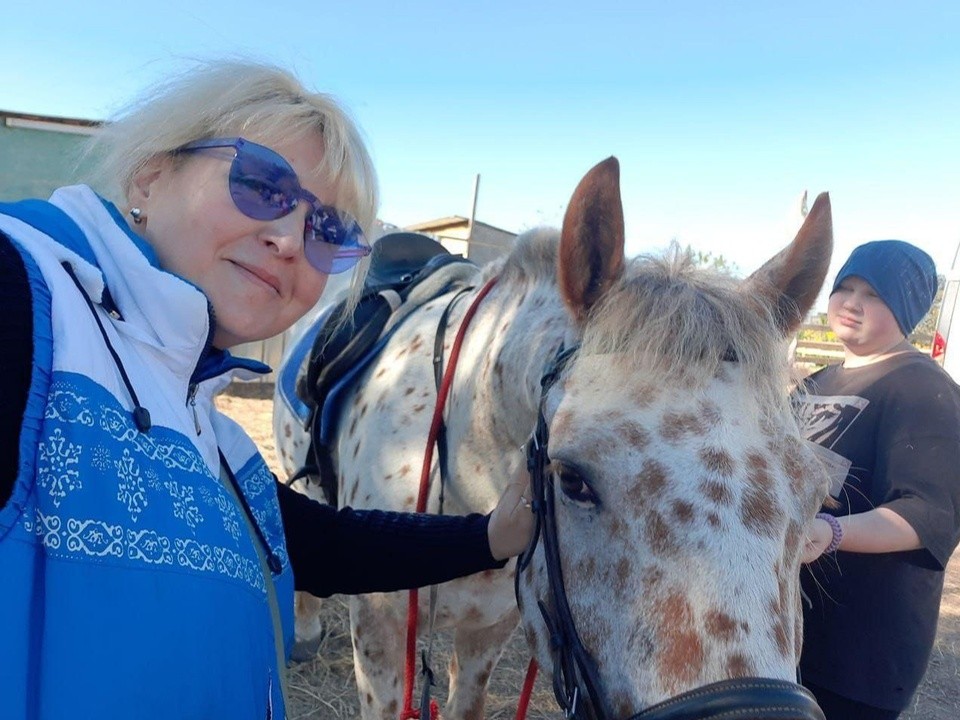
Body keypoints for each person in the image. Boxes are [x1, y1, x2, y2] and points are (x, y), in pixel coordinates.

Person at [0, 60, 533, 720]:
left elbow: (325, 544)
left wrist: (491, 537)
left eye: (327, 230)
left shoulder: (213, 435)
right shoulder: (25, 295)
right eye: (259, 183)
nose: (288, 239)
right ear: (151, 174)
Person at [794, 240, 960, 719]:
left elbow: (929, 514)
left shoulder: (924, 390)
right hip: (790, 633)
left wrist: (829, 533)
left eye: (874, 294)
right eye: (844, 287)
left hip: (858, 657)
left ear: (904, 309)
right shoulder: (817, 382)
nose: (851, 302)